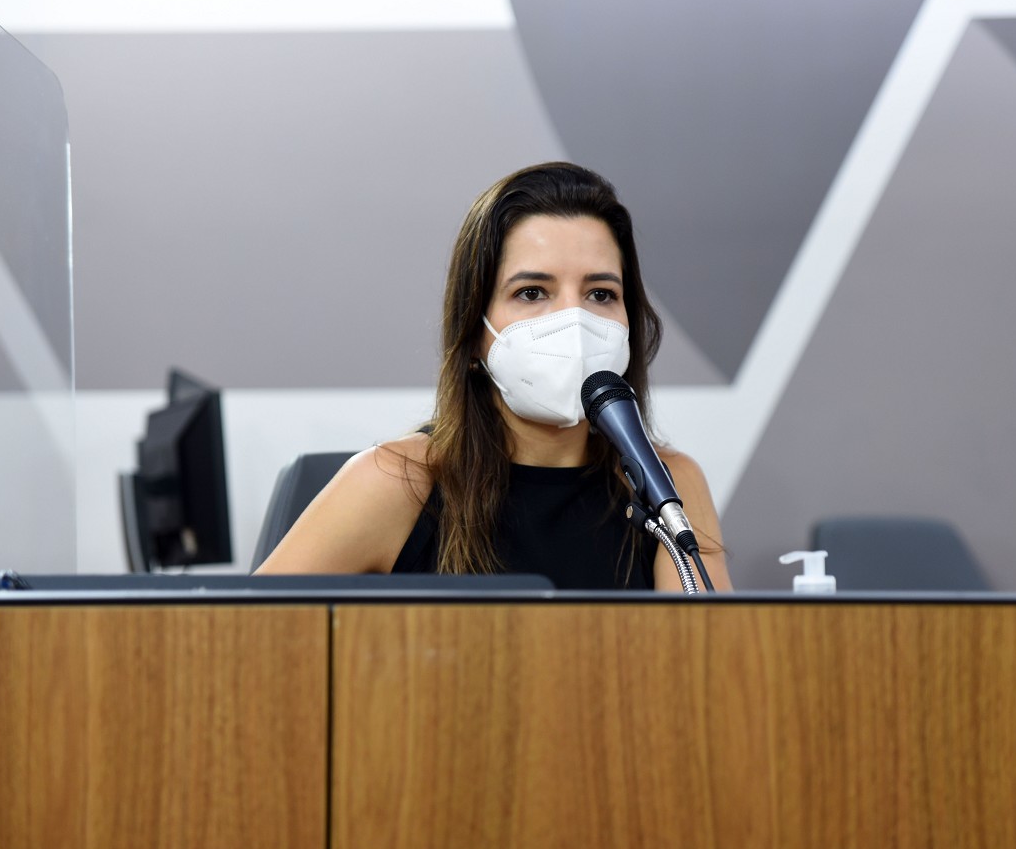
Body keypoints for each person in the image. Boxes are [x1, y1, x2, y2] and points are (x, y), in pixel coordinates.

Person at [256, 162, 730, 590]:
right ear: (473, 334)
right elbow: (241, 636)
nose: (574, 321)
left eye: (601, 294)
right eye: (532, 292)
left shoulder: (670, 488)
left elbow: (710, 653)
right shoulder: (397, 481)